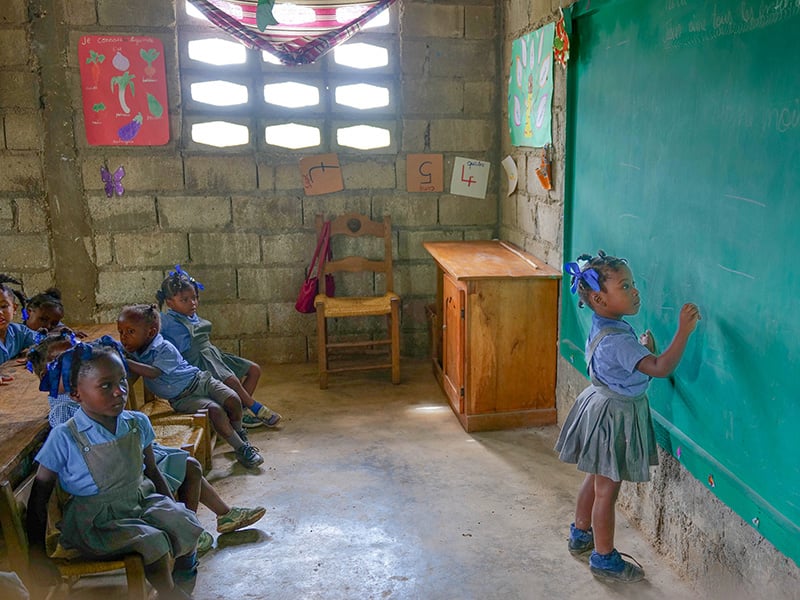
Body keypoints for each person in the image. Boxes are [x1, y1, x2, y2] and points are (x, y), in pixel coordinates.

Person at [27, 330, 267, 554]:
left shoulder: (90, 392)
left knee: (189, 465)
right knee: (189, 468)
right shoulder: (64, 411)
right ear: (45, 377)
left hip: (125, 452)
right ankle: (189, 533)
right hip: (113, 472)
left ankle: (205, 521)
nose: (74, 365)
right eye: (62, 362)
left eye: (76, 355)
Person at [555, 251, 701, 583]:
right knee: (607, 489)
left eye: (632, 284)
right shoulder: (620, 342)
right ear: (598, 298)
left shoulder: (603, 323)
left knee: (595, 478)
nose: (635, 291)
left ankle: (580, 533)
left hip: (599, 404)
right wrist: (684, 331)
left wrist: (640, 347)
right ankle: (604, 557)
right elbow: (660, 368)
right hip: (615, 417)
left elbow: (624, 357)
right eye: (625, 285)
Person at [26, 343, 203, 599]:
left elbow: (152, 470)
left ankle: (185, 569)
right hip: (96, 521)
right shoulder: (64, 436)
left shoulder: (136, 422)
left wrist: (170, 506)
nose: (119, 392)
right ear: (76, 394)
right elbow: (39, 497)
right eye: (105, 385)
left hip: (139, 499)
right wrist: (37, 554)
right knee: (151, 541)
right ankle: (169, 592)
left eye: (122, 381)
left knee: (184, 520)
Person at [116, 304, 264, 469]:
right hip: (182, 398)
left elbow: (153, 372)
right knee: (215, 410)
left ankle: (239, 433)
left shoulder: (164, 348)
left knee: (233, 399)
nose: (123, 337)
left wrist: (126, 362)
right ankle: (242, 449)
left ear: (151, 333)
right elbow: (112, 347)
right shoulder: (134, 349)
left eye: (130, 332)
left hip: (201, 380)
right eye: (120, 332)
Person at [156, 265, 281, 428]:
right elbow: (148, 327)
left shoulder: (190, 315)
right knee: (231, 381)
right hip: (197, 362)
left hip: (212, 355)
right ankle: (257, 408)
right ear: (169, 303)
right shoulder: (167, 321)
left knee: (254, 370)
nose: (192, 303)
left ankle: (238, 413)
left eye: (194, 297)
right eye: (184, 300)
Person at [0, 274, 36, 367]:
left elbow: (45, 341)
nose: (0, 312)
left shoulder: (19, 332)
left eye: (4, 306)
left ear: (14, 308)